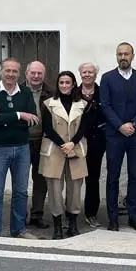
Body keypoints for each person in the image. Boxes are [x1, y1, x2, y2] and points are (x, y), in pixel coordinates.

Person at [0, 57, 39, 239]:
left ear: (19, 73)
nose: (11, 74)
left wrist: (4, 117)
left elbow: (33, 121)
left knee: (21, 192)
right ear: (0, 71)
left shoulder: (25, 92)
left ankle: (19, 229)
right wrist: (19, 115)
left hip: (22, 148)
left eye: (15, 71)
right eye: (7, 70)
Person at [100, 42, 136, 232]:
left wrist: (134, 124)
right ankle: (113, 218)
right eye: (120, 54)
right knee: (112, 177)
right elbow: (105, 105)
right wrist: (120, 125)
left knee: (134, 177)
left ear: (132, 55)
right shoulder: (107, 78)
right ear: (116, 56)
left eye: (126, 54)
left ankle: (133, 215)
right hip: (115, 135)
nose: (123, 57)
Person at [39, 71, 92, 239]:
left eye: (67, 82)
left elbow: (84, 127)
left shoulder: (83, 104)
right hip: (55, 149)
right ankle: (57, 227)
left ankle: (73, 224)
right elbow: (47, 128)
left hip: (75, 148)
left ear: (73, 84)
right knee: (54, 189)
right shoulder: (48, 103)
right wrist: (63, 144)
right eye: (61, 82)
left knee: (75, 188)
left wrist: (72, 143)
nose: (64, 85)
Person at [25, 61, 54, 230]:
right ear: (26, 74)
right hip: (22, 140)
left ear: (44, 75)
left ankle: (37, 215)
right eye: (33, 73)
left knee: (41, 180)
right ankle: (20, 216)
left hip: (43, 141)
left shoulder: (51, 92)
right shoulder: (18, 90)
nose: (36, 76)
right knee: (20, 181)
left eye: (39, 74)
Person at [78, 62, 106, 228]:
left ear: (96, 75)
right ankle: (71, 213)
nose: (87, 74)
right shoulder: (73, 92)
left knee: (93, 178)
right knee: (73, 178)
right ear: (80, 74)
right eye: (84, 72)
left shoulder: (103, 92)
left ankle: (91, 213)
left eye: (90, 72)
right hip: (76, 140)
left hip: (96, 140)